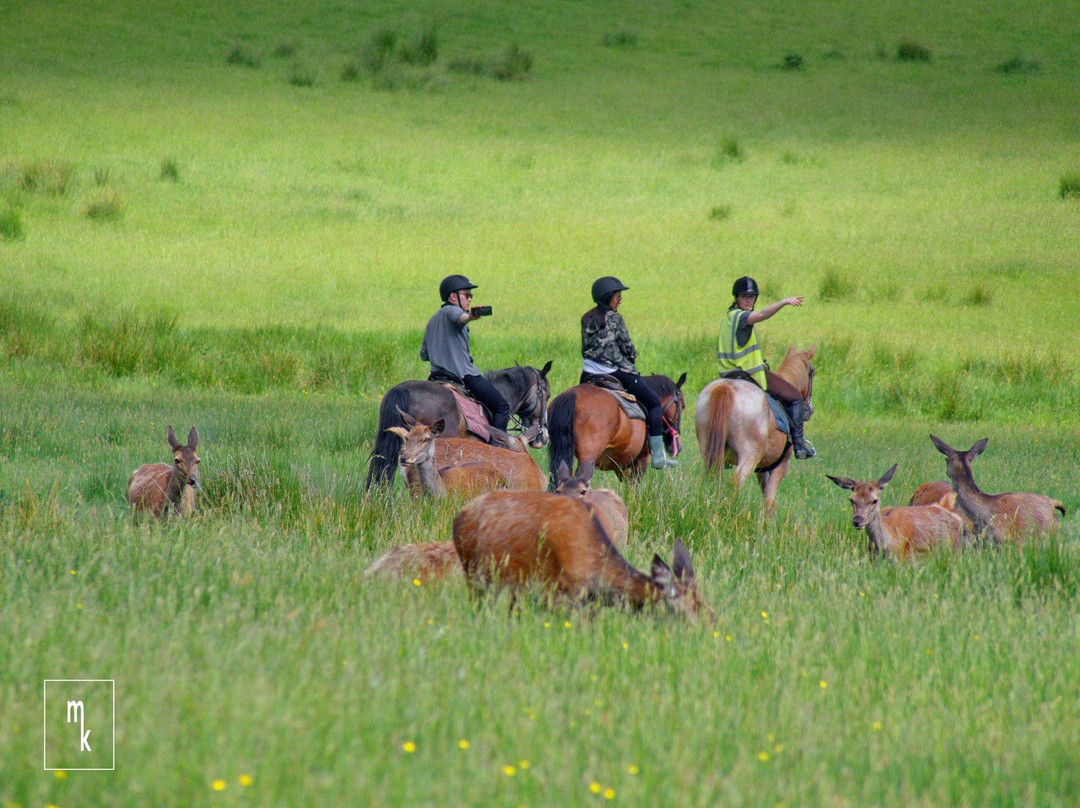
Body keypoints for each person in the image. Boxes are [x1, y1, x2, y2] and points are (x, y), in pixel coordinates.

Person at [580, 276, 678, 470]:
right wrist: (632, 356)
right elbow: (627, 347)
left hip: (588, 373)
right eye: (618, 296)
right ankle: (658, 456)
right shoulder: (615, 318)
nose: (620, 300)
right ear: (608, 297)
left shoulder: (586, 318)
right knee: (653, 403)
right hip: (616, 371)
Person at [717, 276, 816, 459]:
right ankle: (800, 447)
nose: (748, 299)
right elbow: (762, 315)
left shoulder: (728, 318)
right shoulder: (742, 316)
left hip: (726, 374)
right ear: (736, 297)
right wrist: (784, 302)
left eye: (751, 296)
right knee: (794, 397)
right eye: (744, 296)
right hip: (748, 375)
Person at [420, 275, 510, 432]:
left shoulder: (432, 320)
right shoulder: (453, 311)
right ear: (453, 296)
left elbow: (424, 354)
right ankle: (496, 450)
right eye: (466, 295)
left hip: (436, 377)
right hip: (463, 375)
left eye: (471, 296)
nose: (469, 300)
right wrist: (470, 316)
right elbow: (459, 319)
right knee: (502, 407)